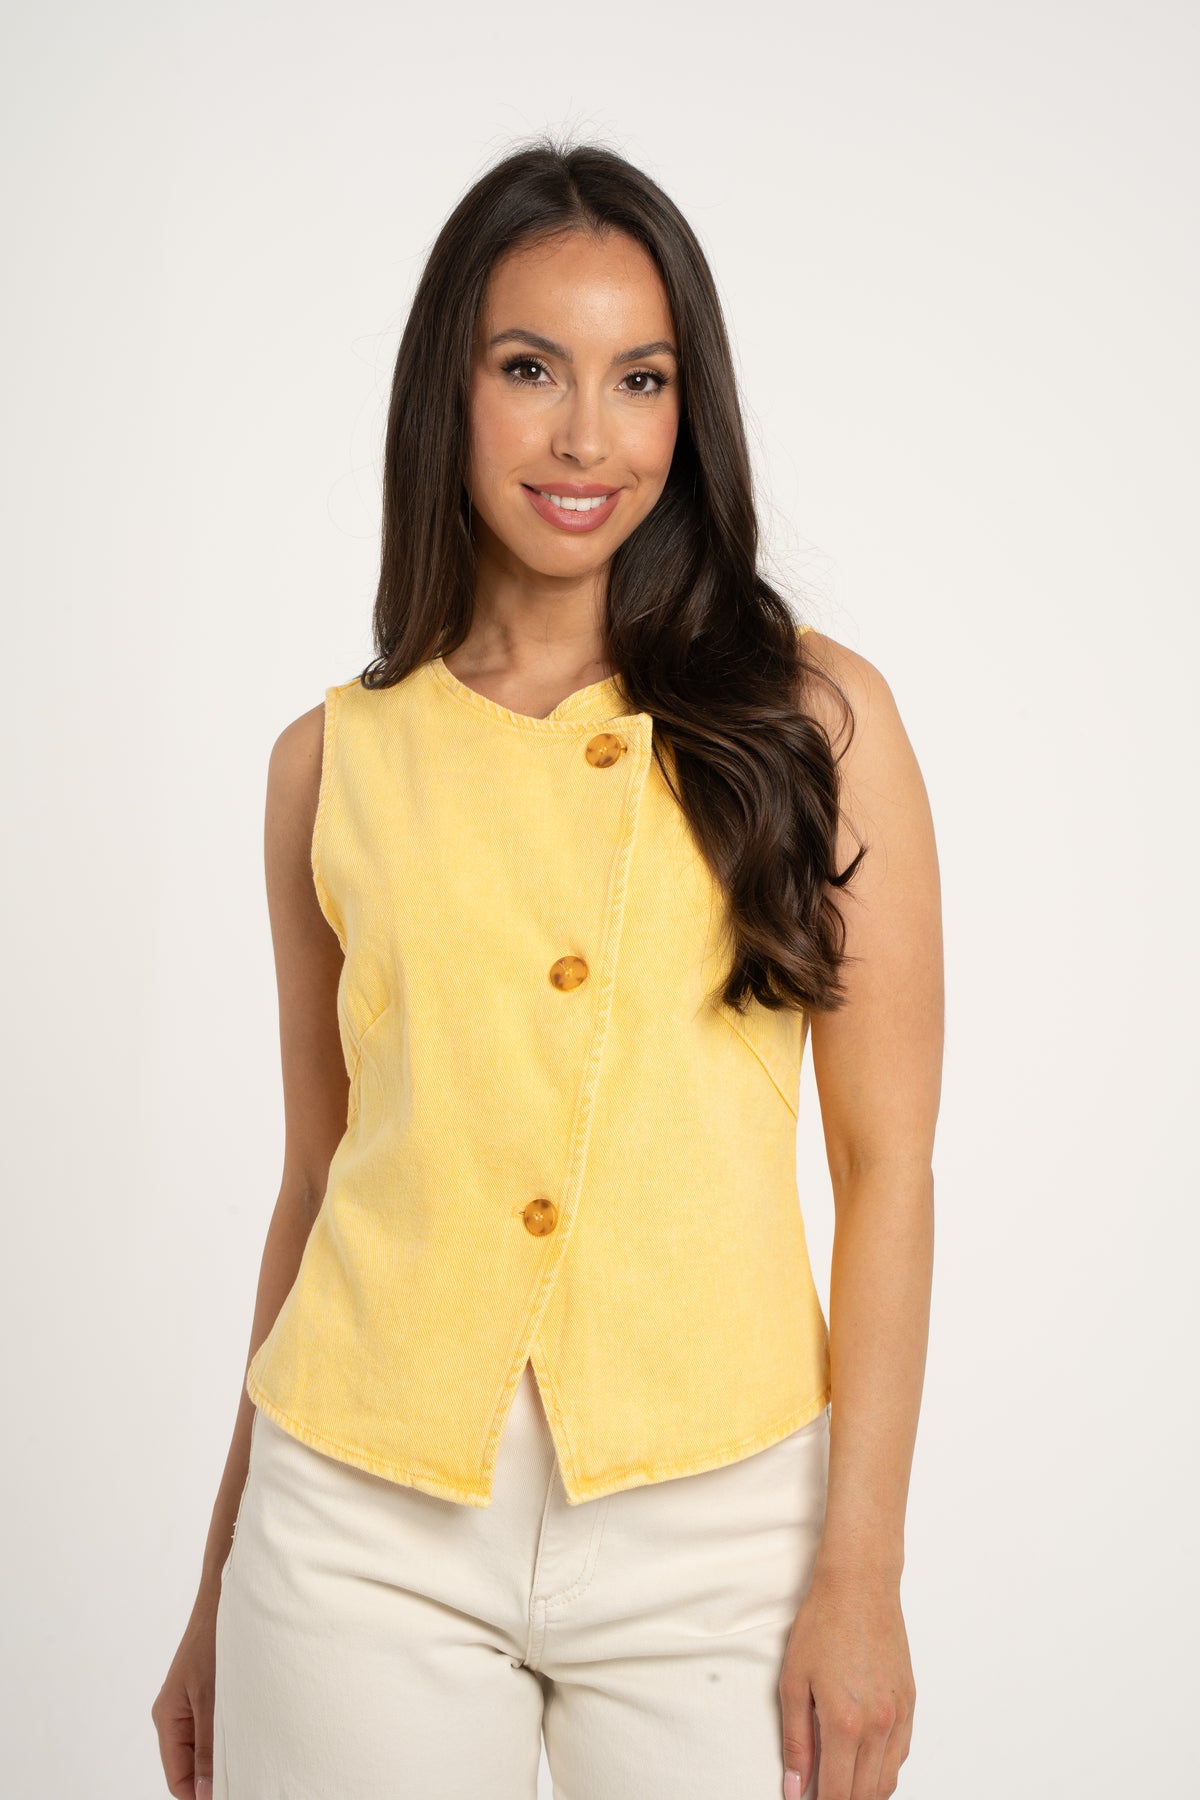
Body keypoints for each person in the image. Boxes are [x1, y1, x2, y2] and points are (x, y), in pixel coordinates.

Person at [152, 137, 942, 1800]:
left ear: (687, 409)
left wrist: (862, 1574)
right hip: (358, 1533)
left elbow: (887, 1170)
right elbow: (317, 1180)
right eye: (530, 369)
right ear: (448, 391)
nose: (589, 437)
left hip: (723, 1532)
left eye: (639, 379)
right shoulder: (331, 764)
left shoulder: (814, 720)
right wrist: (219, 1583)